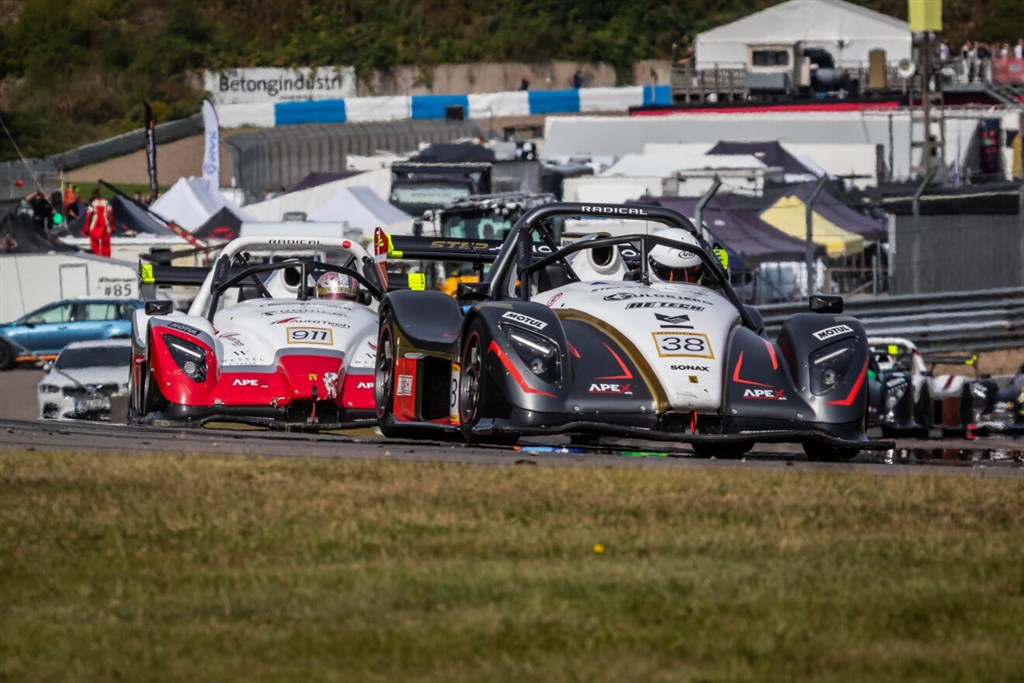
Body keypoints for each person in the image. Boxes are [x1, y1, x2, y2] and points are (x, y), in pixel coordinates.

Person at [84, 188, 114, 257]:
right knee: (106, 245)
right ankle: (106, 259)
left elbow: (88, 215)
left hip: (95, 225)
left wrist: (86, 228)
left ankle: (96, 258)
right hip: (105, 225)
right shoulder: (106, 202)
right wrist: (112, 227)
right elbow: (111, 215)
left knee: (94, 244)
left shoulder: (92, 203)